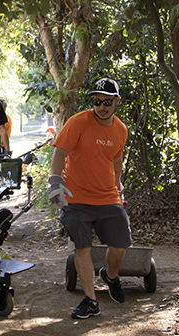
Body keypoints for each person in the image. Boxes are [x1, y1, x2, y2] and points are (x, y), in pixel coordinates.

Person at [48, 77, 131, 319]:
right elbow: (60, 152)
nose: (102, 107)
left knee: (120, 245)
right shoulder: (78, 122)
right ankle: (91, 300)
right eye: (97, 101)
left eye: (107, 102)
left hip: (107, 196)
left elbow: (116, 160)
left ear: (116, 101)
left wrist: (118, 184)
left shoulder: (121, 129)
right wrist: (56, 181)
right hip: (76, 197)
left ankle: (110, 276)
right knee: (81, 248)